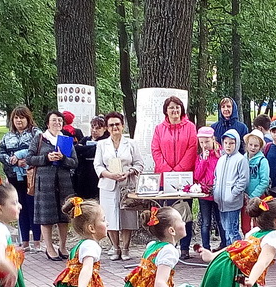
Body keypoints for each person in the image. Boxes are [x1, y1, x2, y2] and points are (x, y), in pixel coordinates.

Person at [151, 95, 199, 253]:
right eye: (171, 107)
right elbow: (155, 150)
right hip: (165, 178)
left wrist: (178, 170)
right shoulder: (159, 129)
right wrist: (167, 170)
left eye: (177, 107)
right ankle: (169, 245)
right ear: (166, 110)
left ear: (182, 109)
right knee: (168, 214)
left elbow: (192, 149)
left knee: (184, 212)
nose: (174, 110)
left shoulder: (190, 127)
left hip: (184, 178)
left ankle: (184, 247)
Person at [29, 110, 79, 261]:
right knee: (47, 217)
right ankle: (49, 247)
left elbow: (75, 163)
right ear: (47, 123)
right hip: (45, 183)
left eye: (59, 120)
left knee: (64, 216)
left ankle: (63, 246)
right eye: (54, 120)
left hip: (64, 183)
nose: (57, 123)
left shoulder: (66, 140)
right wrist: (46, 157)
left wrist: (63, 158)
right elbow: (29, 159)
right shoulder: (39, 139)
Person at [94, 111, 144, 260]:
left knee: (127, 216)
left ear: (122, 126)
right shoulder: (102, 144)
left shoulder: (132, 143)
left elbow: (139, 164)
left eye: (117, 124)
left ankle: (126, 248)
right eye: (111, 125)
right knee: (110, 217)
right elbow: (97, 165)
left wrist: (129, 172)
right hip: (108, 184)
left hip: (126, 184)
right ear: (107, 128)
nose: (114, 127)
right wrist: (108, 174)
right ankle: (115, 248)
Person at [0, 105, 42, 252]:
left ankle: (37, 241)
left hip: (31, 176)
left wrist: (24, 159)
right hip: (14, 176)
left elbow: (39, 150)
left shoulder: (36, 133)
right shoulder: (7, 136)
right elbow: (1, 153)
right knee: (19, 207)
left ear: (28, 118)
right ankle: (25, 241)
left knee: (32, 207)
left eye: (22, 117)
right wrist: (11, 159)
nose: (19, 120)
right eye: (16, 118)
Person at [211, 130, 248, 244]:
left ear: (236, 144)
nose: (228, 146)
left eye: (231, 143)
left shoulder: (241, 159)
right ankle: (229, 253)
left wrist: (234, 193)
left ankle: (237, 254)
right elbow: (216, 176)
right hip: (220, 201)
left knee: (232, 230)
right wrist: (215, 190)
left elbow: (243, 179)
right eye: (226, 143)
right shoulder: (221, 159)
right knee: (226, 229)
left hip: (232, 202)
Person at [193, 126, 222, 251]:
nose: (204, 145)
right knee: (205, 222)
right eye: (201, 142)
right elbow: (197, 176)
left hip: (217, 192)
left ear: (213, 139)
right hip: (204, 194)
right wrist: (204, 160)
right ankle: (205, 247)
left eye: (207, 142)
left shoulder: (220, 154)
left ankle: (224, 245)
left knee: (220, 220)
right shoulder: (200, 157)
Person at [73, 115, 106, 201]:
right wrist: (87, 149)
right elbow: (76, 149)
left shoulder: (105, 142)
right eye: (92, 127)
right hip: (83, 175)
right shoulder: (85, 139)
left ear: (104, 129)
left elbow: (92, 152)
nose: (94, 130)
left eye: (98, 128)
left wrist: (84, 149)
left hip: (96, 176)